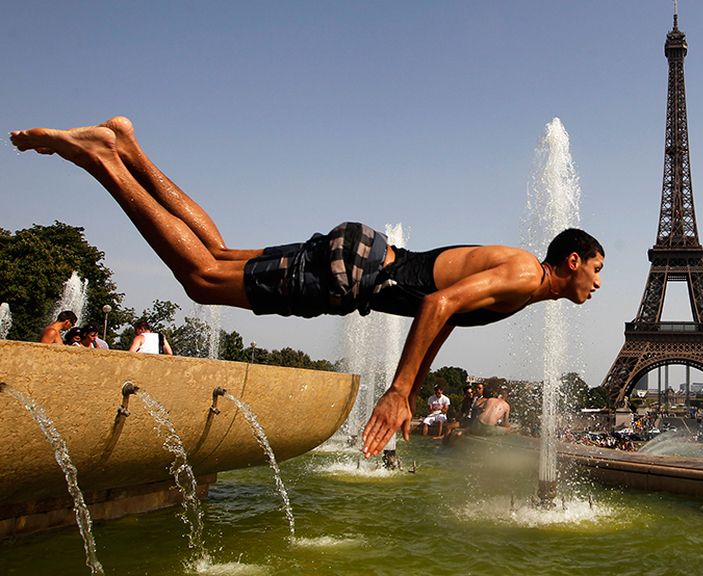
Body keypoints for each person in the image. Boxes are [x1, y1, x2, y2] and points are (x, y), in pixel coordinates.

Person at [10, 117, 604, 457]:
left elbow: (442, 313)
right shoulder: (527, 275)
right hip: (356, 275)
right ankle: (102, 162)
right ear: (571, 259)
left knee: (218, 256)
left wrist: (413, 385)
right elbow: (438, 302)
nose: (598, 282)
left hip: (363, 254)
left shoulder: (520, 277)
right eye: (596, 269)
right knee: (201, 281)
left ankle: (130, 148)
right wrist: (399, 390)